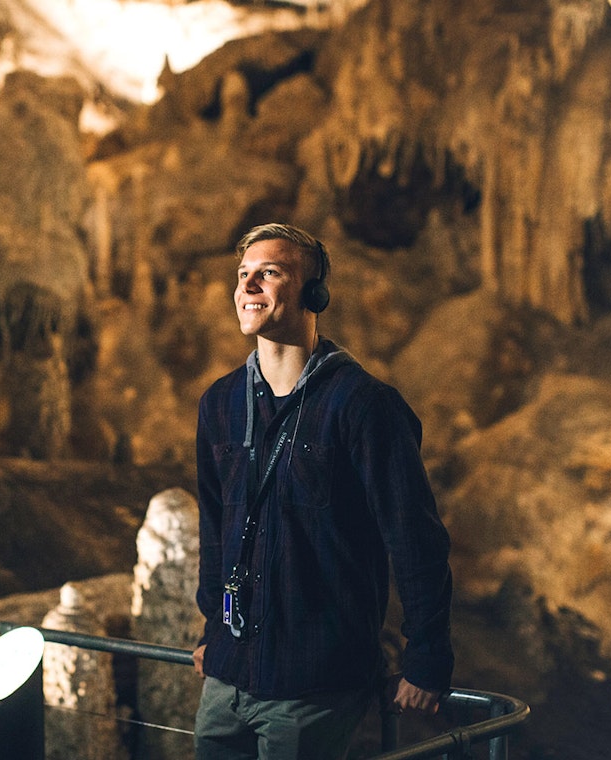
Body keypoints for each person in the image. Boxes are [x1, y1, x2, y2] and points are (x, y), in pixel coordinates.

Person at [192, 224, 453, 760]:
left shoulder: (364, 406)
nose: (249, 286)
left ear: (315, 294)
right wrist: (211, 629)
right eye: (243, 276)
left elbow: (414, 539)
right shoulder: (219, 404)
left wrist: (426, 659)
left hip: (312, 683)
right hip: (227, 677)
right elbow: (216, 530)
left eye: (269, 273)